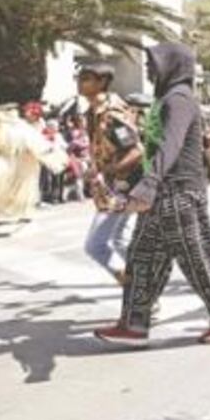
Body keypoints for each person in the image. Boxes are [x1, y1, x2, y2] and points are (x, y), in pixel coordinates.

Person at [94, 43, 210, 347]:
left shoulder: (180, 100)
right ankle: (134, 325)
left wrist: (147, 185)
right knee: (141, 259)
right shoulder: (165, 100)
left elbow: (169, 147)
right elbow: (152, 149)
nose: (149, 70)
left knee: (195, 259)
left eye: (154, 64)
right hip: (161, 193)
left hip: (180, 192)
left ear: (172, 65)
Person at [78, 62, 144, 285]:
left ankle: (134, 283)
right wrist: (95, 169)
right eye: (79, 78)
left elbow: (136, 151)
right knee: (120, 240)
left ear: (102, 82)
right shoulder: (93, 113)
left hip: (120, 188)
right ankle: (145, 287)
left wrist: (110, 171)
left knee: (95, 245)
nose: (80, 82)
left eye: (86, 78)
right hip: (110, 187)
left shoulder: (112, 114)